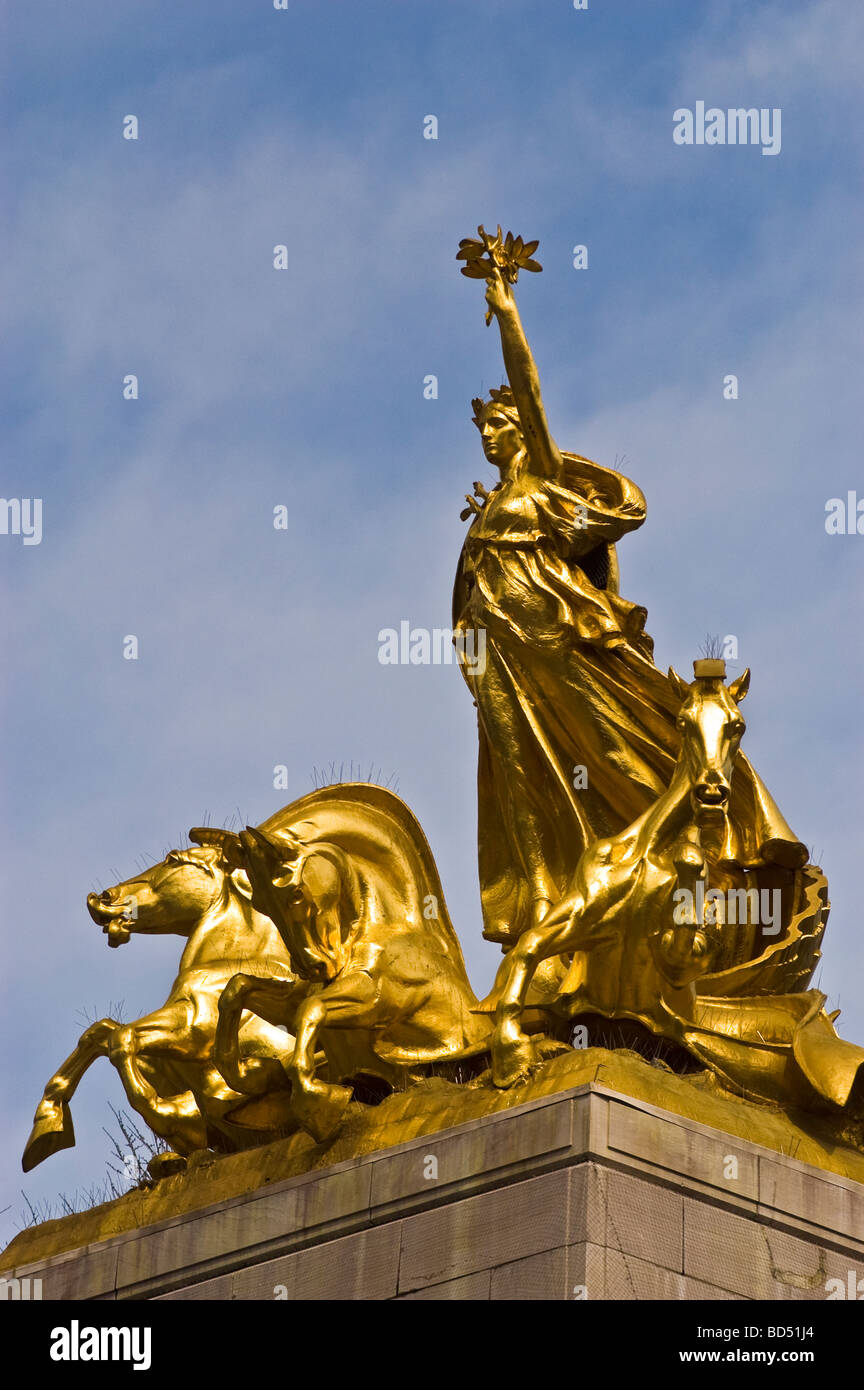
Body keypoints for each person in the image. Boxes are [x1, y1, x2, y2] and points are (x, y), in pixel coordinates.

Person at [453, 259, 806, 947]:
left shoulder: (545, 483)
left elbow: (530, 389)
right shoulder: (490, 510)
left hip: (555, 641)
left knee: (610, 744)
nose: (490, 435)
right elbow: (469, 595)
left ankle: (699, 832)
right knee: (523, 773)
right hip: (499, 655)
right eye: (485, 430)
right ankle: (549, 903)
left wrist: (508, 312)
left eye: (498, 425)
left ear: (520, 433)